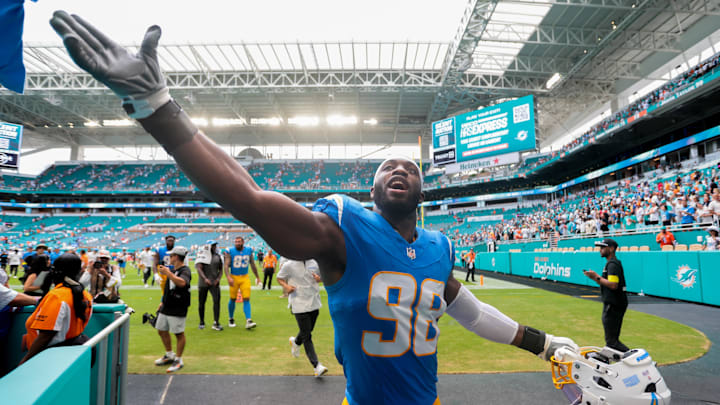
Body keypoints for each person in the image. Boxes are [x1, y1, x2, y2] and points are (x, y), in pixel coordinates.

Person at [50, 15, 577, 403]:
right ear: (370, 191)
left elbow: (474, 314)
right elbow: (247, 196)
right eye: (387, 166)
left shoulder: (438, 248)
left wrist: (545, 342)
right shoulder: (341, 231)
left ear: (423, 190)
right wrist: (157, 108)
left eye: (411, 168)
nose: (400, 169)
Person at [19, 253, 93, 365]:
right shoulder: (85, 295)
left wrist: (25, 360)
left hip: (49, 357)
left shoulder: (57, 296)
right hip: (69, 353)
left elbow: (46, 335)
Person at [277, 259, 328, 377]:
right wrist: (286, 286)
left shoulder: (315, 263)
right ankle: (317, 366)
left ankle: (295, 342)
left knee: (308, 330)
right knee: (307, 335)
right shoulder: (289, 265)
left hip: (314, 301)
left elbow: (323, 276)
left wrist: (320, 279)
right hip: (298, 301)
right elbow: (279, 278)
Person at [583, 238, 630, 353]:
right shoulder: (611, 263)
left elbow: (613, 285)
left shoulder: (612, 264)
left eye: (603, 247)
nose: (600, 250)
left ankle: (634, 359)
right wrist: (595, 278)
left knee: (612, 342)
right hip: (613, 304)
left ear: (611, 248)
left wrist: (596, 277)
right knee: (611, 341)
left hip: (614, 305)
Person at [154, 246, 191, 373]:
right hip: (167, 305)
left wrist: (168, 273)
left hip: (178, 306)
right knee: (161, 329)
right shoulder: (174, 270)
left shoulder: (185, 270)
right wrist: (162, 301)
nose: (169, 258)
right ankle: (169, 354)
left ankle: (179, 360)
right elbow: (169, 289)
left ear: (176, 256)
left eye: (171, 256)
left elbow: (182, 283)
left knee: (178, 333)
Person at [223, 236, 259, 329]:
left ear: (243, 242)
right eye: (236, 242)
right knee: (233, 299)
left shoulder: (249, 250)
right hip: (234, 277)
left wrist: (257, 277)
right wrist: (228, 277)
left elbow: (252, 264)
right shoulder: (229, 251)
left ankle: (249, 320)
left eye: (239, 241)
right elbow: (226, 265)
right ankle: (231, 318)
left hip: (245, 277)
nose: (237, 243)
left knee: (246, 298)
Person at [195, 240, 223, 331]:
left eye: (215, 245)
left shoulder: (217, 256)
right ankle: (201, 322)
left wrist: (218, 279)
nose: (214, 247)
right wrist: (205, 279)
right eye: (213, 245)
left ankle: (216, 322)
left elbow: (221, 269)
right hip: (203, 283)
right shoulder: (202, 255)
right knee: (202, 303)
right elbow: (199, 268)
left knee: (216, 301)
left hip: (214, 283)